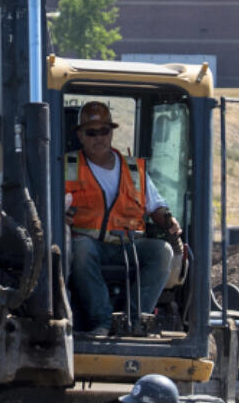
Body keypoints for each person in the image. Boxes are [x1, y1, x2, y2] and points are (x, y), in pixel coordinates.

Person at [65, 100, 183, 336]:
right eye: (91, 132)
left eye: (104, 131)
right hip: (88, 243)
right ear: (80, 135)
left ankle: (133, 321)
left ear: (111, 133)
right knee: (80, 250)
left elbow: (156, 205)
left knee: (162, 252)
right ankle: (103, 322)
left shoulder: (133, 169)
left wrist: (167, 220)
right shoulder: (68, 167)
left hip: (129, 244)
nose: (99, 137)